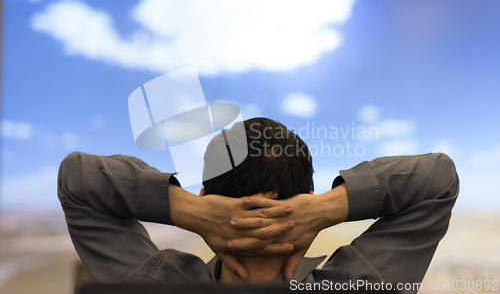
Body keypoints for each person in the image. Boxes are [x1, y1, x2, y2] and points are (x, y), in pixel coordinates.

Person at [58, 117, 459, 292]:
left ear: (206, 198)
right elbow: (438, 181)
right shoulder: (354, 285)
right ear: (305, 201)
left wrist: (185, 210)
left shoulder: (157, 287)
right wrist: (328, 207)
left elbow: (77, 180)